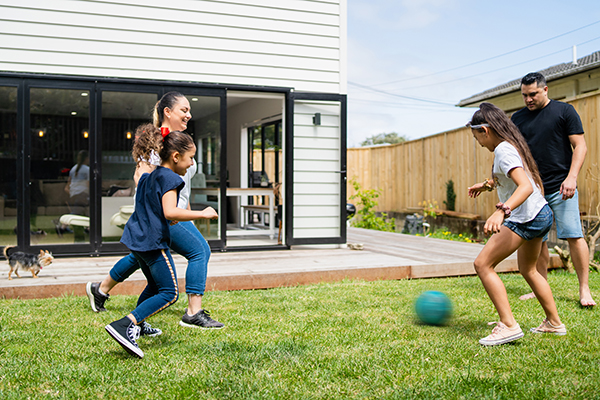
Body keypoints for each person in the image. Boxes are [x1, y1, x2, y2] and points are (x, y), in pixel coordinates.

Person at [87, 91, 223, 332]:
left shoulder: (179, 142)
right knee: (199, 251)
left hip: (175, 212)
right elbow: (142, 179)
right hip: (163, 215)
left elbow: (183, 188)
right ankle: (193, 312)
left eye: (189, 110)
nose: (189, 114)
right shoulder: (156, 144)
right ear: (167, 112)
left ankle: (101, 289)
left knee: (143, 256)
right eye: (184, 110)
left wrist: (188, 213)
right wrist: (161, 214)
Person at [105, 127, 217, 358]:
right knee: (169, 292)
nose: (191, 163)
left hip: (136, 239)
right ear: (176, 157)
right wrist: (202, 214)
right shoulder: (171, 179)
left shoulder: (149, 175)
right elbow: (170, 212)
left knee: (155, 286)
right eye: (191, 158)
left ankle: (139, 324)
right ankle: (125, 324)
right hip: (152, 242)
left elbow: (149, 204)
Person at [467, 103, 566, 346]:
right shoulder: (510, 145)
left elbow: (525, 186)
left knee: (483, 264)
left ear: (485, 130)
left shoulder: (503, 150)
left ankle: (508, 325)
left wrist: (502, 211)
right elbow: (510, 178)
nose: (478, 142)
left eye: (476, 136)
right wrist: (488, 185)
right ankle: (554, 323)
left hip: (526, 217)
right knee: (529, 270)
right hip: (541, 213)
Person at [511, 72, 596, 307]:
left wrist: (572, 177)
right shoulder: (518, 118)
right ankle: (541, 286)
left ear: (545, 90)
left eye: (533, 94)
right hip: (533, 189)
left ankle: (584, 289)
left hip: (562, 186)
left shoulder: (564, 111)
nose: (528, 99)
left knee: (573, 235)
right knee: (535, 239)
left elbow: (580, 146)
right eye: (524, 95)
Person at [65, 150, 90, 214]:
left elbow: (68, 184)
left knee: (79, 211)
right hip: (82, 195)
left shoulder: (73, 169)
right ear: (86, 158)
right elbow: (88, 184)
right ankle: (64, 222)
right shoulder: (87, 169)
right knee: (77, 212)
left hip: (73, 195)